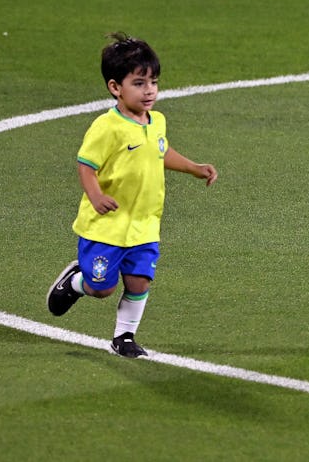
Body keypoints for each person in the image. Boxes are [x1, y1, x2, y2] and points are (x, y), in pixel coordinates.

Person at [47, 32, 218, 358]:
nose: (150, 89)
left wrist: (193, 168)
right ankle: (75, 283)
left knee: (139, 282)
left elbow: (159, 152)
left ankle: (124, 337)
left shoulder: (157, 122)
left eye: (153, 81)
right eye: (139, 83)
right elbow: (86, 165)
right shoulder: (106, 127)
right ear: (115, 87)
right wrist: (96, 197)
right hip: (107, 226)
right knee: (102, 287)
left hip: (144, 224)